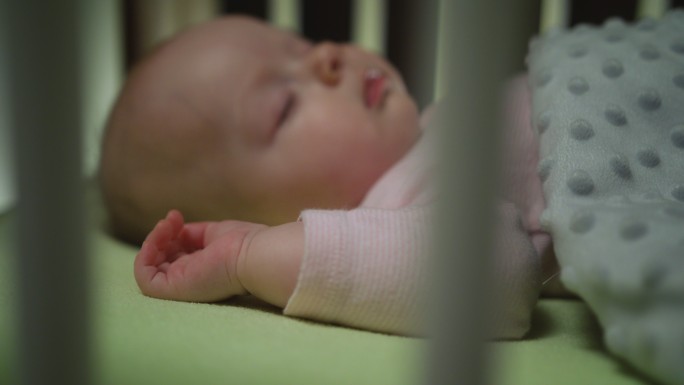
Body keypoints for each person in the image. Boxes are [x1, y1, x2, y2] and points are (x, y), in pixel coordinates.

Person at [99, 15, 552, 336]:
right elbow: (498, 270)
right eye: (285, 106)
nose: (327, 54)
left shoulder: (436, 127)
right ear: (286, 224)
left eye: (299, 44)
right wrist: (249, 255)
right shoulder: (399, 213)